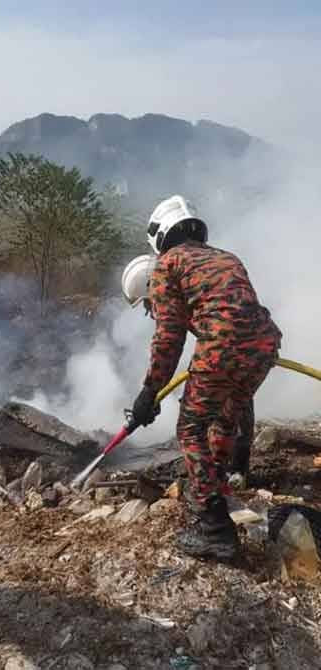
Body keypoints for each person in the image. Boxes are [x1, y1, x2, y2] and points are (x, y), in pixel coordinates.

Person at [128, 195, 281, 560]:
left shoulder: (166, 265)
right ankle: (220, 485)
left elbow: (169, 336)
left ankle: (214, 528)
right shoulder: (226, 257)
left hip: (224, 344)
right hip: (265, 343)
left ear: (160, 236)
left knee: (190, 428)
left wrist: (149, 393)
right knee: (226, 416)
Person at [121, 254, 255, 487]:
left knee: (193, 425)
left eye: (146, 303)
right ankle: (234, 472)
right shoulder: (195, 291)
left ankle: (211, 493)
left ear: (152, 289)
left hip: (237, 351)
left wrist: (149, 392)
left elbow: (168, 344)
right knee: (231, 402)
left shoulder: (177, 296)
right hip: (255, 346)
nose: (150, 312)